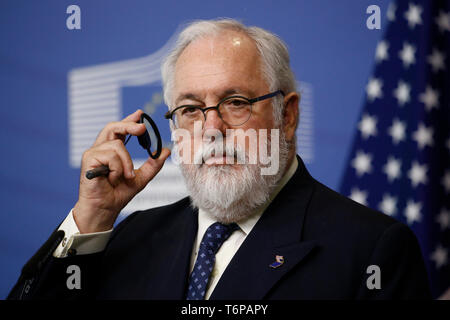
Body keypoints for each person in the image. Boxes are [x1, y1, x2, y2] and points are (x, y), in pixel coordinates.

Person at [8, 18, 431, 300]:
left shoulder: (372, 251)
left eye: (235, 102)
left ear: (288, 115)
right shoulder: (131, 236)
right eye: (190, 109)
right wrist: (92, 217)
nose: (211, 130)